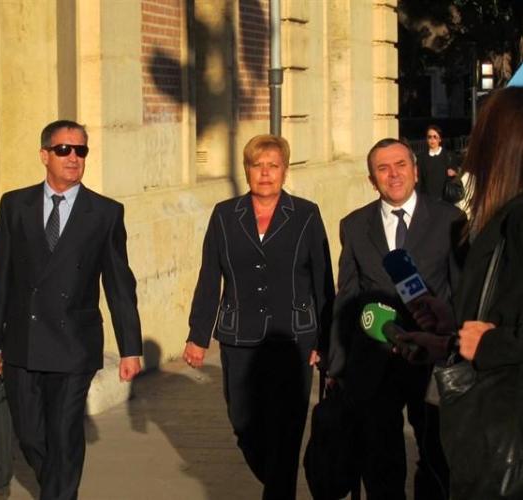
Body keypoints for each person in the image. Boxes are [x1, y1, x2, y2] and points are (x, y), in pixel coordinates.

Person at [398, 87, 523, 499]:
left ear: (503, 143)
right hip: (509, 438)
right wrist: (451, 332)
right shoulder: (511, 215)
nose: (473, 144)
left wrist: (491, 344)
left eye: (482, 131)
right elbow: (516, 310)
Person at [0, 120, 143, 500]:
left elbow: (120, 285)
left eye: (80, 150)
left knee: (64, 432)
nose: (73, 158)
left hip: (75, 344)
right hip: (22, 341)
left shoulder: (105, 213)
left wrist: (130, 348)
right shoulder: (14, 205)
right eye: (63, 150)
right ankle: (57, 489)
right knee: (30, 435)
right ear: (44, 155)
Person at [183, 134, 335, 499]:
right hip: (240, 337)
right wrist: (197, 335)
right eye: (257, 165)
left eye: (273, 166)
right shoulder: (225, 215)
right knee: (244, 424)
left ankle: (279, 489)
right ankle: (278, 479)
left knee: (288, 428)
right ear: (247, 170)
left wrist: (327, 341)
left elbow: (322, 280)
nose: (265, 173)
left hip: (293, 339)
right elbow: (210, 276)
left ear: (285, 171)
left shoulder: (306, 214)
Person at [327, 138, 465, 500]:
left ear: (416, 172)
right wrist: (337, 367)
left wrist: (459, 349)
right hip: (375, 364)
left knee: (436, 460)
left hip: (431, 363)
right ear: (372, 180)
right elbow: (347, 299)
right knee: (380, 465)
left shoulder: (450, 220)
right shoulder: (354, 226)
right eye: (383, 168)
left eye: (401, 165)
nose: (394, 175)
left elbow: (461, 291)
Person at [417, 125, 458, 202]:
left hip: (445, 199)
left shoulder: (449, 156)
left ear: (440, 139)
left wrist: (454, 174)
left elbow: (456, 177)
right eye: (429, 137)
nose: (432, 140)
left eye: (435, 137)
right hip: (428, 200)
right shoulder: (422, 157)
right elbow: (419, 181)